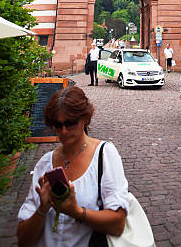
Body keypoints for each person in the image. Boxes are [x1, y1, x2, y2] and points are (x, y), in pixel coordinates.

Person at [17, 86, 129, 246]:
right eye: (57, 124)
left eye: (70, 123)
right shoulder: (44, 164)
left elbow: (118, 225)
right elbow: (23, 241)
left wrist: (76, 212)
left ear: (85, 118)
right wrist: (42, 208)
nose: (63, 131)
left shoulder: (104, 155)